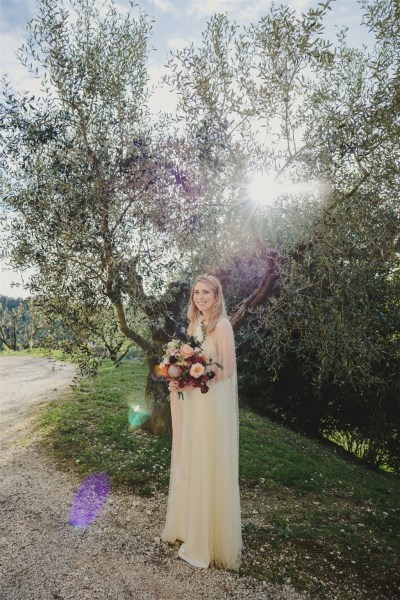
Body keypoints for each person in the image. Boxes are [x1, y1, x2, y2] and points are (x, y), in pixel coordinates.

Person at [161, 274, 242, 571]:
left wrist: (196, 378)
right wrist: (178, 374)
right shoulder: (195, 325)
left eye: (206, 292)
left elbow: (228, 370)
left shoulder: (222, 326)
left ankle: (208, 537)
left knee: (207, 460)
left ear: (216, 295)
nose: (200, 297)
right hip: (194, 404)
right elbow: (189, 361)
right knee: (191, 458)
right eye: (196, 292)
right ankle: (187, 526)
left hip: (210, 406)